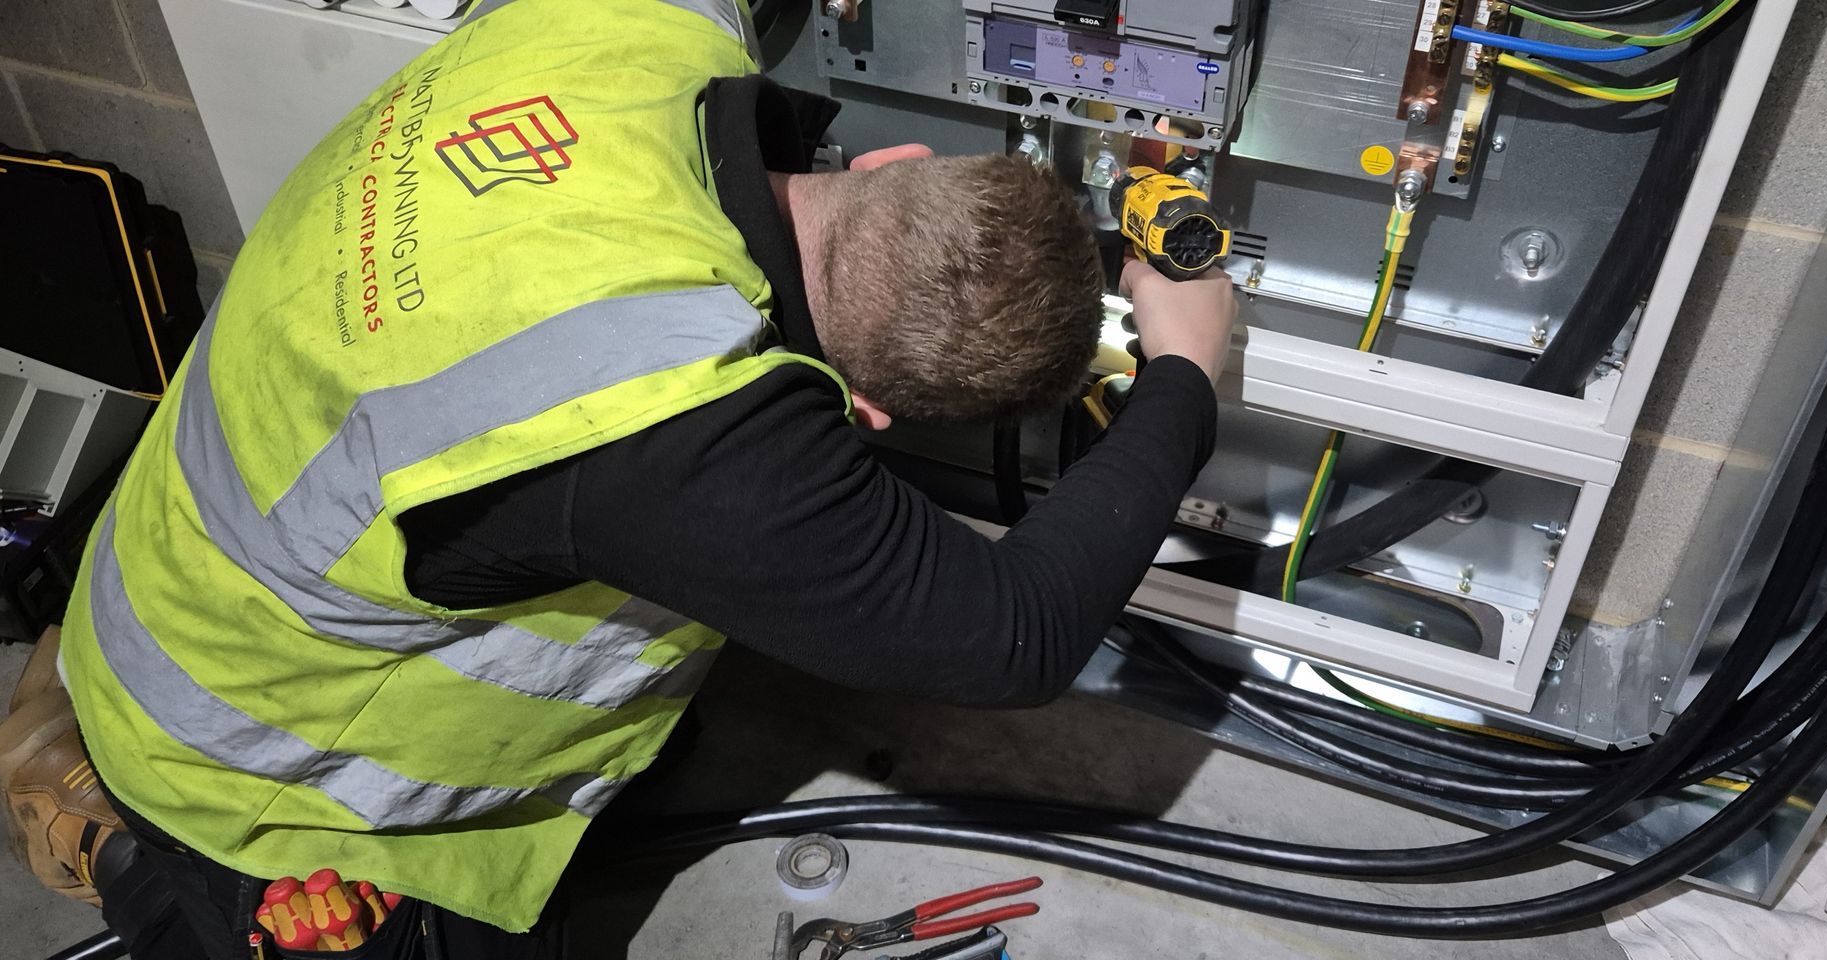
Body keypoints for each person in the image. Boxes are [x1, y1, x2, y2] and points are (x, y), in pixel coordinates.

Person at [0, 0, 1237, 955]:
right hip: (245, 758)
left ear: (887, 164)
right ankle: (116, 842)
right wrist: (1184, 370)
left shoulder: (638, 25)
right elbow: (1018, 634)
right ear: (863, 412)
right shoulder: (685, 426)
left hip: (166, 537)